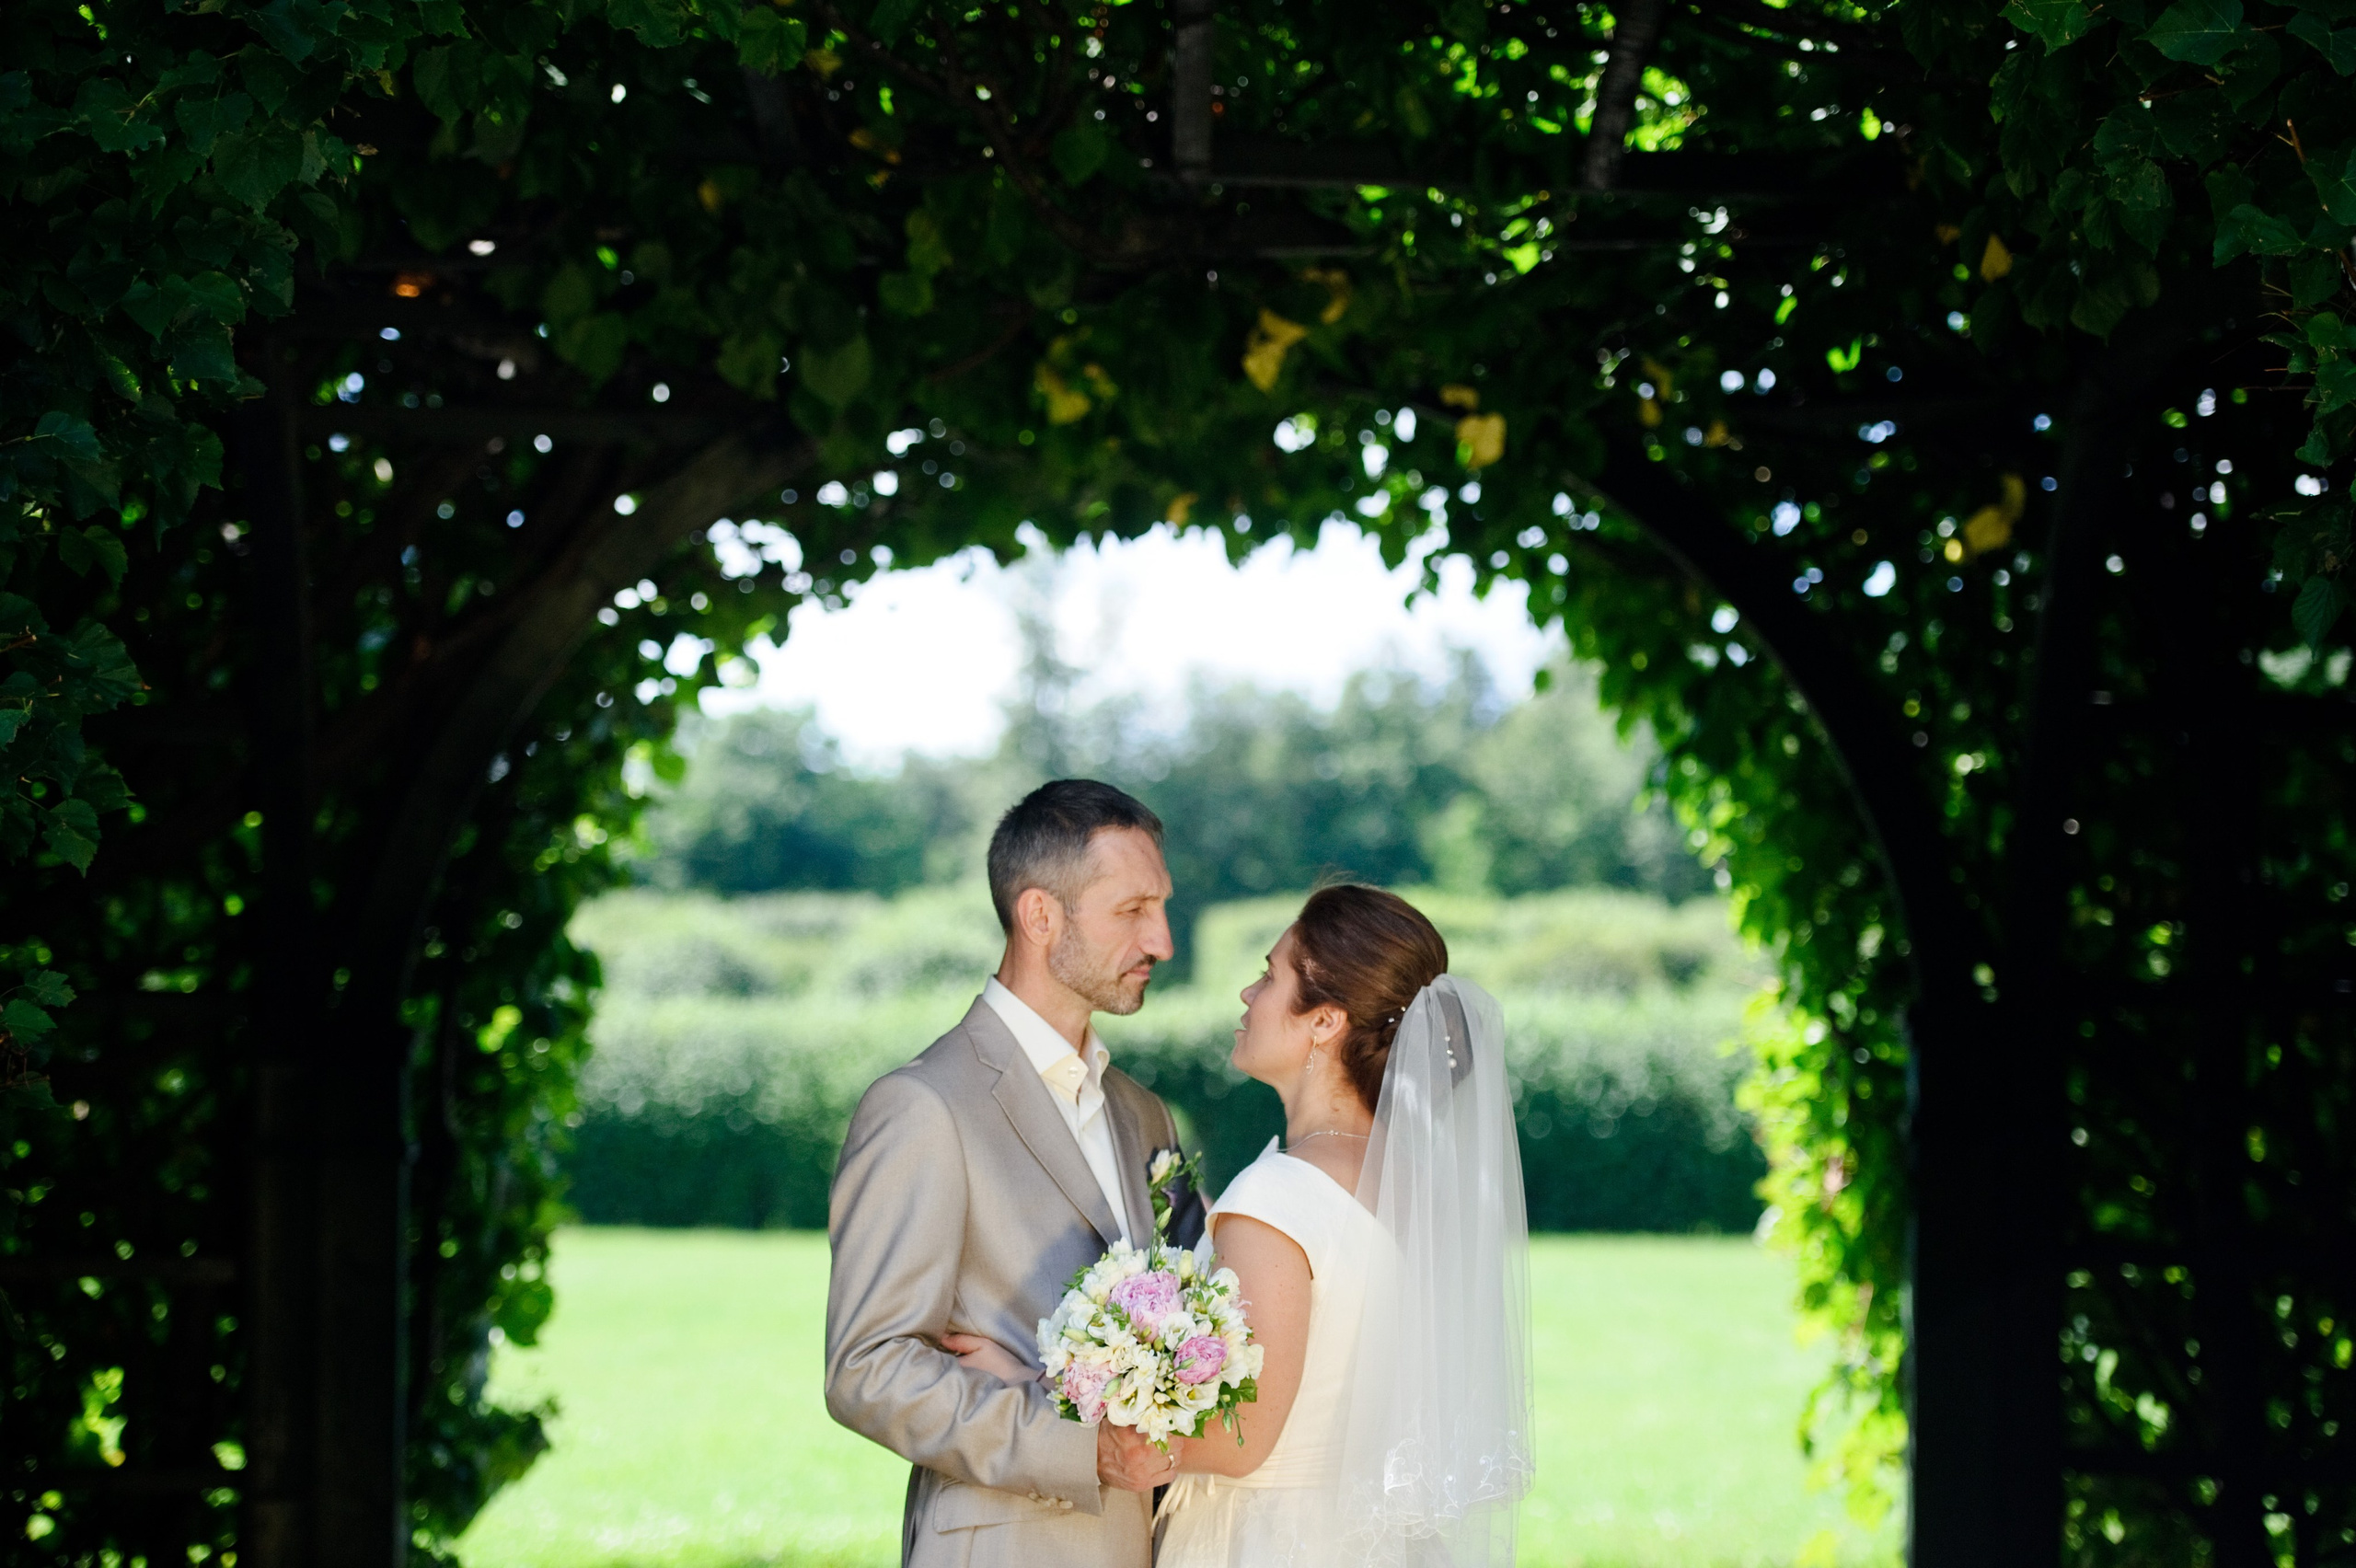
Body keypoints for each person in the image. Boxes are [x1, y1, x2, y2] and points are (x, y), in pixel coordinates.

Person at [958, 883, 1534, 1567]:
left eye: (1269, 974)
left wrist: (1028, 1384)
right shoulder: (1420, 1186)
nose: (1247, 995)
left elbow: (1240, 1441)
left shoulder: (1279, 1198)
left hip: (1266, 1540)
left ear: (1324, 1021)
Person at [824, 779, 1190, 1568]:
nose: (1162, 941)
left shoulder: (1144, 1114)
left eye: (1161, 907)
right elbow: (868, 1369)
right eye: (1132, 911)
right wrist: (1073, 1440)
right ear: (1039, 916)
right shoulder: (921, 1107)